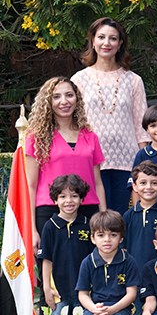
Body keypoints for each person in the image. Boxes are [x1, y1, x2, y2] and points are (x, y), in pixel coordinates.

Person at [71, 17, 149, 214]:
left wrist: (144, 163)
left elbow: (141, 125)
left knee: (122, 216)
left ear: (120, 43)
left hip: (127, 160)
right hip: (92, 159)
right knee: (97, 217)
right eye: (101, 37)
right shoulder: (79, 79)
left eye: (113, 38)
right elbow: (73, 123)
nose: (106, 43)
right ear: (93, 41)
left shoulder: (133, 80)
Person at [25, 76, 105, 253]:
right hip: (49, 212)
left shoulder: (90, 136)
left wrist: (103, 220)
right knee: (53, 268)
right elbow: (30, 186)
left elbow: (98, 183)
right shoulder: (36, 138)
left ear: (77, 99)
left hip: (88, 211)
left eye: (69, 95)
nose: (64, 101)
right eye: (56, 96)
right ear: (48, 102)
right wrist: (31, 229)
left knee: (88, 267)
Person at [37, 174, 94, 315]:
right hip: (58, 294)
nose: (69, 201)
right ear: (55, 200)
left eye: (74, 196)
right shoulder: (50, 226)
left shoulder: (88, 225)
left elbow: (94, 259)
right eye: (63, 196)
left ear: (81, 199)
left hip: (84, 293)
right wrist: (46, 288)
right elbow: (46, 260)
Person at [122, 161, 157, 315]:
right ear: (135, 186)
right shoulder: (128, 216)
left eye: (154, 183)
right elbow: (123, 249)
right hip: (136, 278)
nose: (148, 187)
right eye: (143, 183)